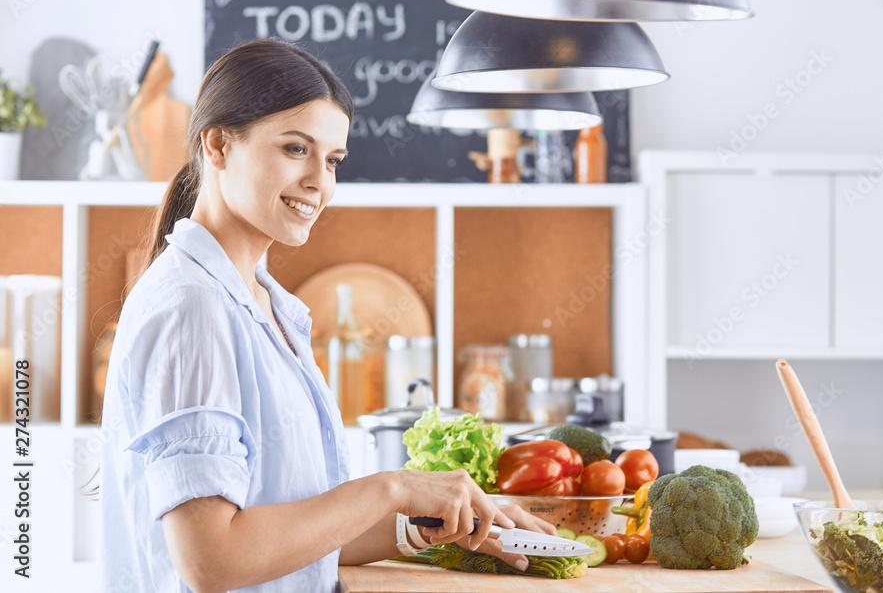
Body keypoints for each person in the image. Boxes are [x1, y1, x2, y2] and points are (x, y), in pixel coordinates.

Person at [100, 39, 555, 593]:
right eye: (296, 149)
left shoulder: (268, 306)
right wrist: (391, 488)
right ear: (217, 145)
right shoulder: (192, 305)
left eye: (333, 160)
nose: (321, 181)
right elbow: (212, 560)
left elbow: (291, 534)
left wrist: (436, 525)